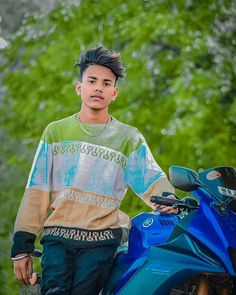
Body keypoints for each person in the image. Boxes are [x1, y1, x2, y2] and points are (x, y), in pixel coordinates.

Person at [11, 46, 177, 295]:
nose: (98, 87)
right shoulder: (55, 132)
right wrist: (21, 247)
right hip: (58, 237)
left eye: (106, 83)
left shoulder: (128, 137)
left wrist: (170, 199)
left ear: (114, 93)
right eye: (92, 81)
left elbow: (151, 177)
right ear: (80, 88)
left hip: (102, 239)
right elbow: (37, 191)